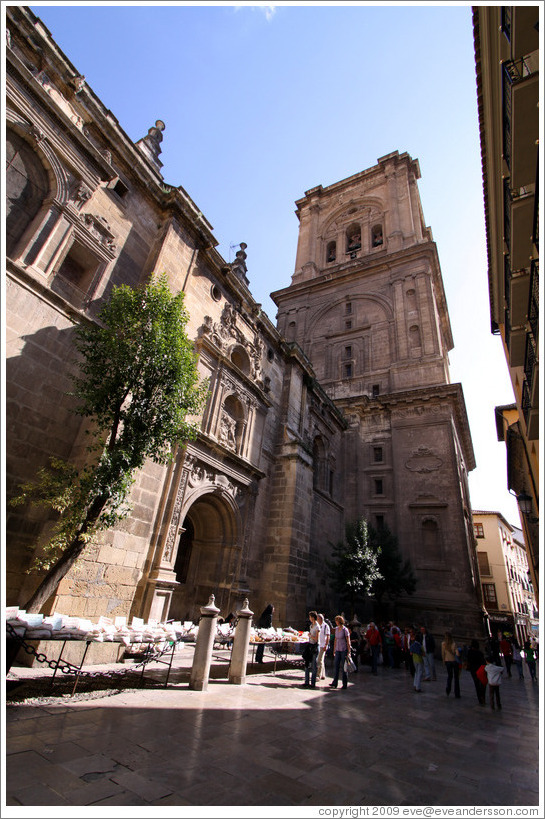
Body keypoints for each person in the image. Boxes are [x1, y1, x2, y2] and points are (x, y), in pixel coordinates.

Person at [329, 615, 351, 690]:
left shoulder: (345, 630)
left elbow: (348, 641)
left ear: (339, 621)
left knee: (344, 668)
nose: (335, 622)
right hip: (338, 650)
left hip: (344, 650)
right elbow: (335, 639)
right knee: (336, 666)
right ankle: (335, 682)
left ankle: (344, 684)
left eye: (336, 621)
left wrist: (349, 651)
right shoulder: (336, 629)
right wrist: (334, 649)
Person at [302, 611, 320, 688]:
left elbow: (316, 639)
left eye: (310, 617)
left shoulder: (317, 626)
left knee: (313, 665)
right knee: (307, 664)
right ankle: (306, 681)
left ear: (313, 617)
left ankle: (312, 683)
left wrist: (310, 636)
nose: (309, 618)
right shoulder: (311, 626)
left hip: (314, 647)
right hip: (310, 645)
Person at [466, 639, 487, 706]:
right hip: (480, 670)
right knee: (482, 684)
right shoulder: (480, 653)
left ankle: (479, 698)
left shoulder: (470, 652)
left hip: (473, 670)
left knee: (476, 684)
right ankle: (482, 697)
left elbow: (468, 660)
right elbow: (483, 662)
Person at [442, 631, 461, 698]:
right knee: (456, 677)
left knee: (449, 676)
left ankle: (448, 688)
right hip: (454, 661)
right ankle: (457, 693)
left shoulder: (443, 644)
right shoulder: (454, 644)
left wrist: (443, 661)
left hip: (447, 661)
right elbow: (457, 654)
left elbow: (443, 654)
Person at [316, 613, 330, 680]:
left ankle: (318, 675)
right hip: (319, 644)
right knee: (322, 660)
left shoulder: (326, 626)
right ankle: (323, 675)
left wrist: (326, 645)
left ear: (320, 619)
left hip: (323, 645)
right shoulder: (318, 625)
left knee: (319, 660)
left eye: (317, 619)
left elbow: (328, 636)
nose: (317, 620)